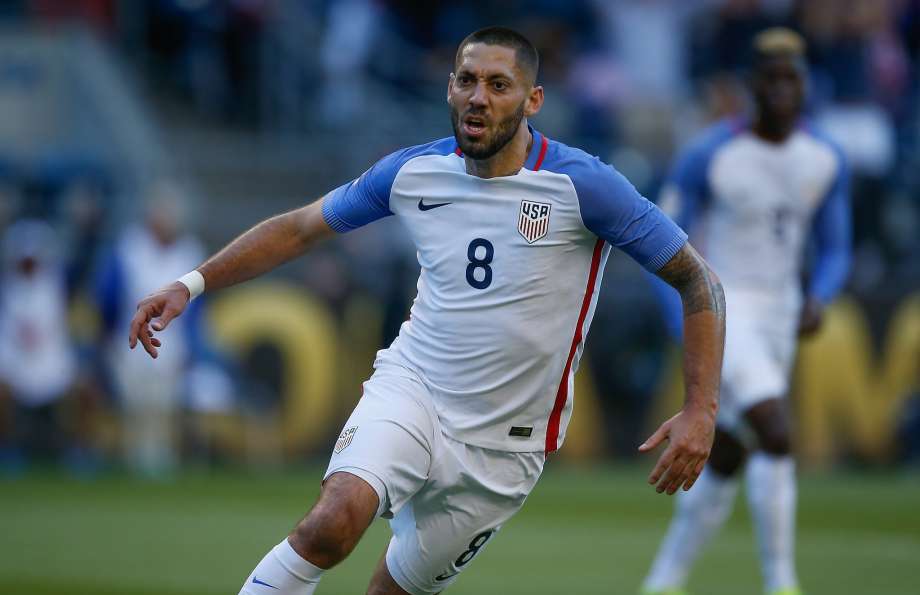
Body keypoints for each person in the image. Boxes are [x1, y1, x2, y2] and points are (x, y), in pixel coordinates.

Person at [130, 27, 726, 595]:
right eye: (467, 80)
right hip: (414, 391)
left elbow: (698, 280)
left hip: (507, 448)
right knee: (332, 523)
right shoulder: (413, 171)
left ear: (533, 99)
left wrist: (701, 409)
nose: (479, 97)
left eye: (499, 85)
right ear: (449, 87)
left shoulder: (584, 186)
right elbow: (300, 229)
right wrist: (192, 283)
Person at [641, 29, 851, 595]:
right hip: (723, 310)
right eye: (771, 78)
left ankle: (664, 579)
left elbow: (834, 245)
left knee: (729, 451)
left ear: (805, 85)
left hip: (781, 313)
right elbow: (663, 237)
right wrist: (680, 321)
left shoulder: (824, 158)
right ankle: (782, 580)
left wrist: (820, 296)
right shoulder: (709, 153)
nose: (782, 90)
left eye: (792, 78)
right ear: (751, 86)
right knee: (777, 430)